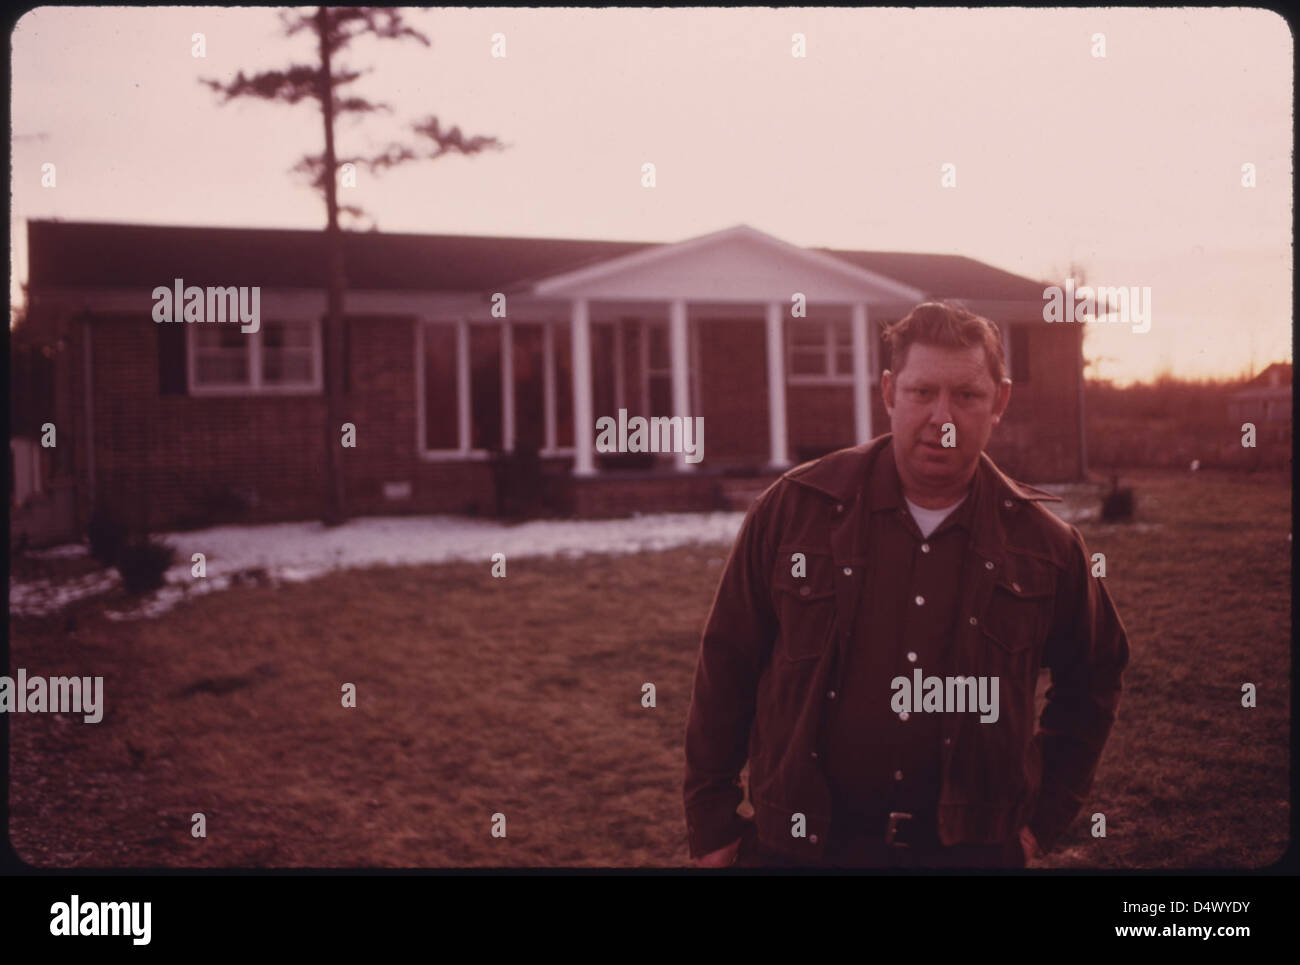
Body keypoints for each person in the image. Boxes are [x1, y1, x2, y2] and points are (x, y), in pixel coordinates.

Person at [683, 301, 1130, 869]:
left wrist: (1040, 820)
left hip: (970, 854)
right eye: (923, 393)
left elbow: (1095, 674)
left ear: (1001, 401)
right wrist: (712, 822)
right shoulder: (794, 512)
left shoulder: (1048, 546)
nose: (942, 418)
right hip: (802, 849)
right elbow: (727, 660)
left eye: (966, 396)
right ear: (890, 393)